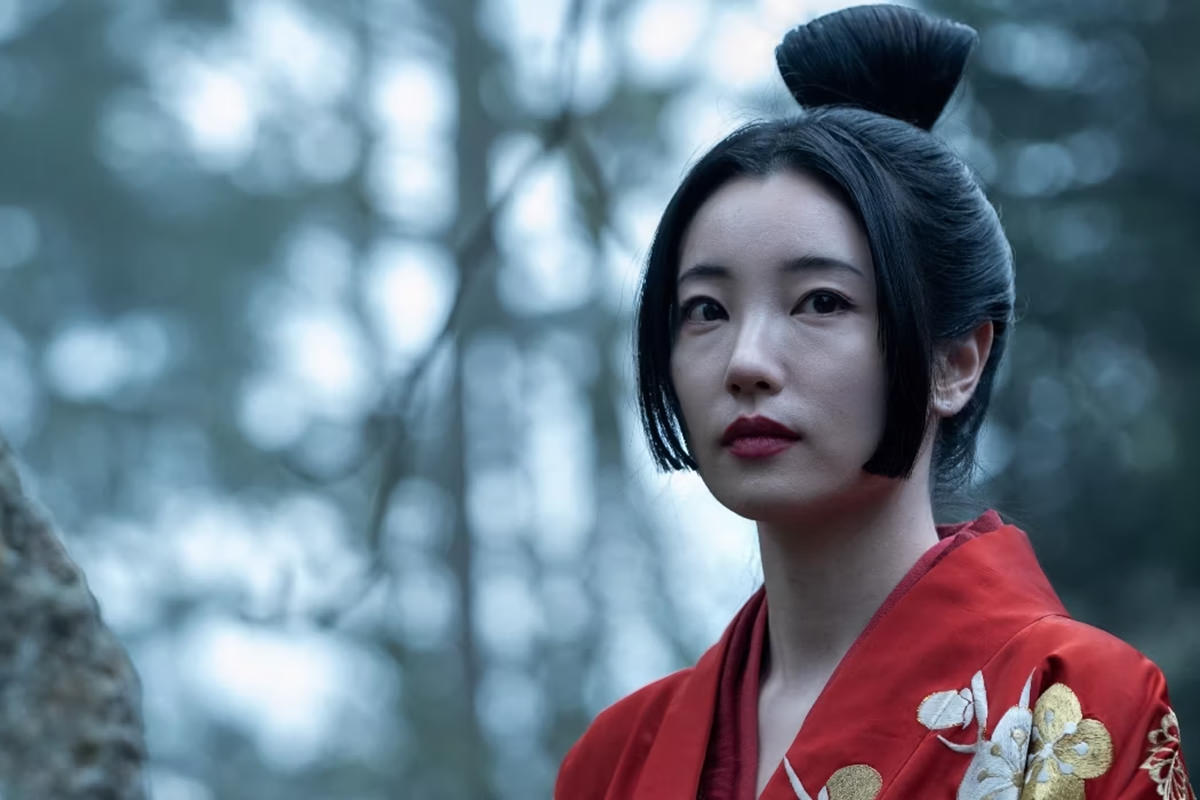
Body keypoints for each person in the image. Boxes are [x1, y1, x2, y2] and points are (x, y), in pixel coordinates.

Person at [554, 5, 1195, 800]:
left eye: (820, 302)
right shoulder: (616, 760)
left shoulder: (1076, 706)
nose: (746, 362)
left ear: (955, 361)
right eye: (706, 311)